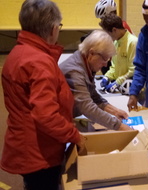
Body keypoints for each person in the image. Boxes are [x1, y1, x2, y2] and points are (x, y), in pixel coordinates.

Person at [0, 0, 86, 190]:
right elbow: (45, 114)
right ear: (53, 28)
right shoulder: (39, 62)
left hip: (26, 144)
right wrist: (74, 135)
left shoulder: (18, 53)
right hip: (39, 151)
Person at [59, 29, 132, 132]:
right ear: (92, 53)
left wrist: (114, 111)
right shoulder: (74, 71)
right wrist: (120, 126)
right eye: (104, 59)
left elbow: (93, 96)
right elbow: (87, 107)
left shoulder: (85, 63)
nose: (106, 64)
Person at [99, 13, 138, 94]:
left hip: (133, 90)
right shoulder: (116, 43)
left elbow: (133, 70)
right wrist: (107, 77)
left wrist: (117, 82)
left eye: (108, 34)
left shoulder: (133, 42)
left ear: (114, 30)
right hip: (121, 89)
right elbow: (114, 67)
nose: (108, 37)